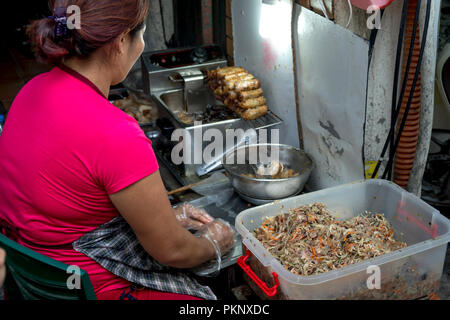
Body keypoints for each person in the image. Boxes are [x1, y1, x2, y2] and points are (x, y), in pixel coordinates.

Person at [0, 0, 234, 300]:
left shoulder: (30, 90)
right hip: (89, 285)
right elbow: (173, 251)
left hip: (31, 270)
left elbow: (67, 200)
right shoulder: (116, 134)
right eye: (142, 34)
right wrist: (213, 243)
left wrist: (163, 217)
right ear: (122, 41)